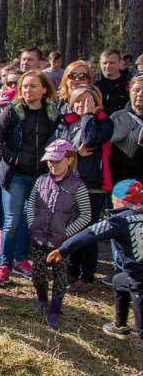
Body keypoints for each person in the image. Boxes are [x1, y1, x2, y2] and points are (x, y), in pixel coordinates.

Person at [0, 70, 60, 286]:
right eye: (25, 86)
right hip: (15, 175)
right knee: (12, 220)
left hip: (41, 175)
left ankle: (23, 260)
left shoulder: (53, 114)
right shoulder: (13, 111)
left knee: (33, 222)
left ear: (44, 89)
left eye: (33, 86)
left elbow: (58, 141)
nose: (28, 90)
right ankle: (4, 266)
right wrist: (17, 160)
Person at [48, 179, 143, 340]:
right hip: (131, 276)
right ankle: (120, 326)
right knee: (120, 281)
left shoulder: (119, 221)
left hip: (139, 280)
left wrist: (64, 249)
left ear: (120, 201)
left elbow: (90, 233)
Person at [52, 85, 113, 294]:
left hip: (93, 186)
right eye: (78, 101)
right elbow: (58, 151)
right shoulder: (66, 124)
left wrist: (88, 115)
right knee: (72, 230)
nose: (81, 105)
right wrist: (75, 153)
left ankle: (87, 277)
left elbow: (90, 139)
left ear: (97, 102)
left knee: (88, 231)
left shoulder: (104, 123)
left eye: (87, 101)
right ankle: (72, 271)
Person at [25, 140, 91, 329]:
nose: (53, 165)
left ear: (70, 159)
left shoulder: (78, 186)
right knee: (38, 273)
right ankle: (42, 299)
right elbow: (31, 204)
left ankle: (55, 308)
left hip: (61, 243)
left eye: (58, 161)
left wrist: (66, 233)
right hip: (39, 238)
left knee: (60, 275)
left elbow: (86, 215)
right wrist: (32, 224)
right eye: (50, 161)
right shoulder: (41, 181)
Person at [109, 75, 143, 185]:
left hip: (139, 188)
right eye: (136, 90)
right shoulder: (116, 118)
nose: (140, 94)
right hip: (114, 186)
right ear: (130, 91)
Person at [95, 48, 130, 116]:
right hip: (96, 123)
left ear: (120, 62)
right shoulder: (92, 81)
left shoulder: (128, 83)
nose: (108, 66)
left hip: (120, 123)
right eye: (105, 63)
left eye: (112, 63)